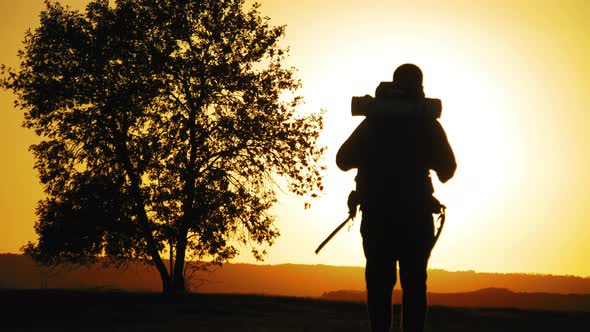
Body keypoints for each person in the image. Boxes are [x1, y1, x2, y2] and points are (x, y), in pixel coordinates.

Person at [336, 64, 456, 332]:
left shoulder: (373, 123)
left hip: (378, 217)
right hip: (416, 217)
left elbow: (343, 160)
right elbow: (448, 170)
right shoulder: (429, 125)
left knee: (379, 285)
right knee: (415, 285)